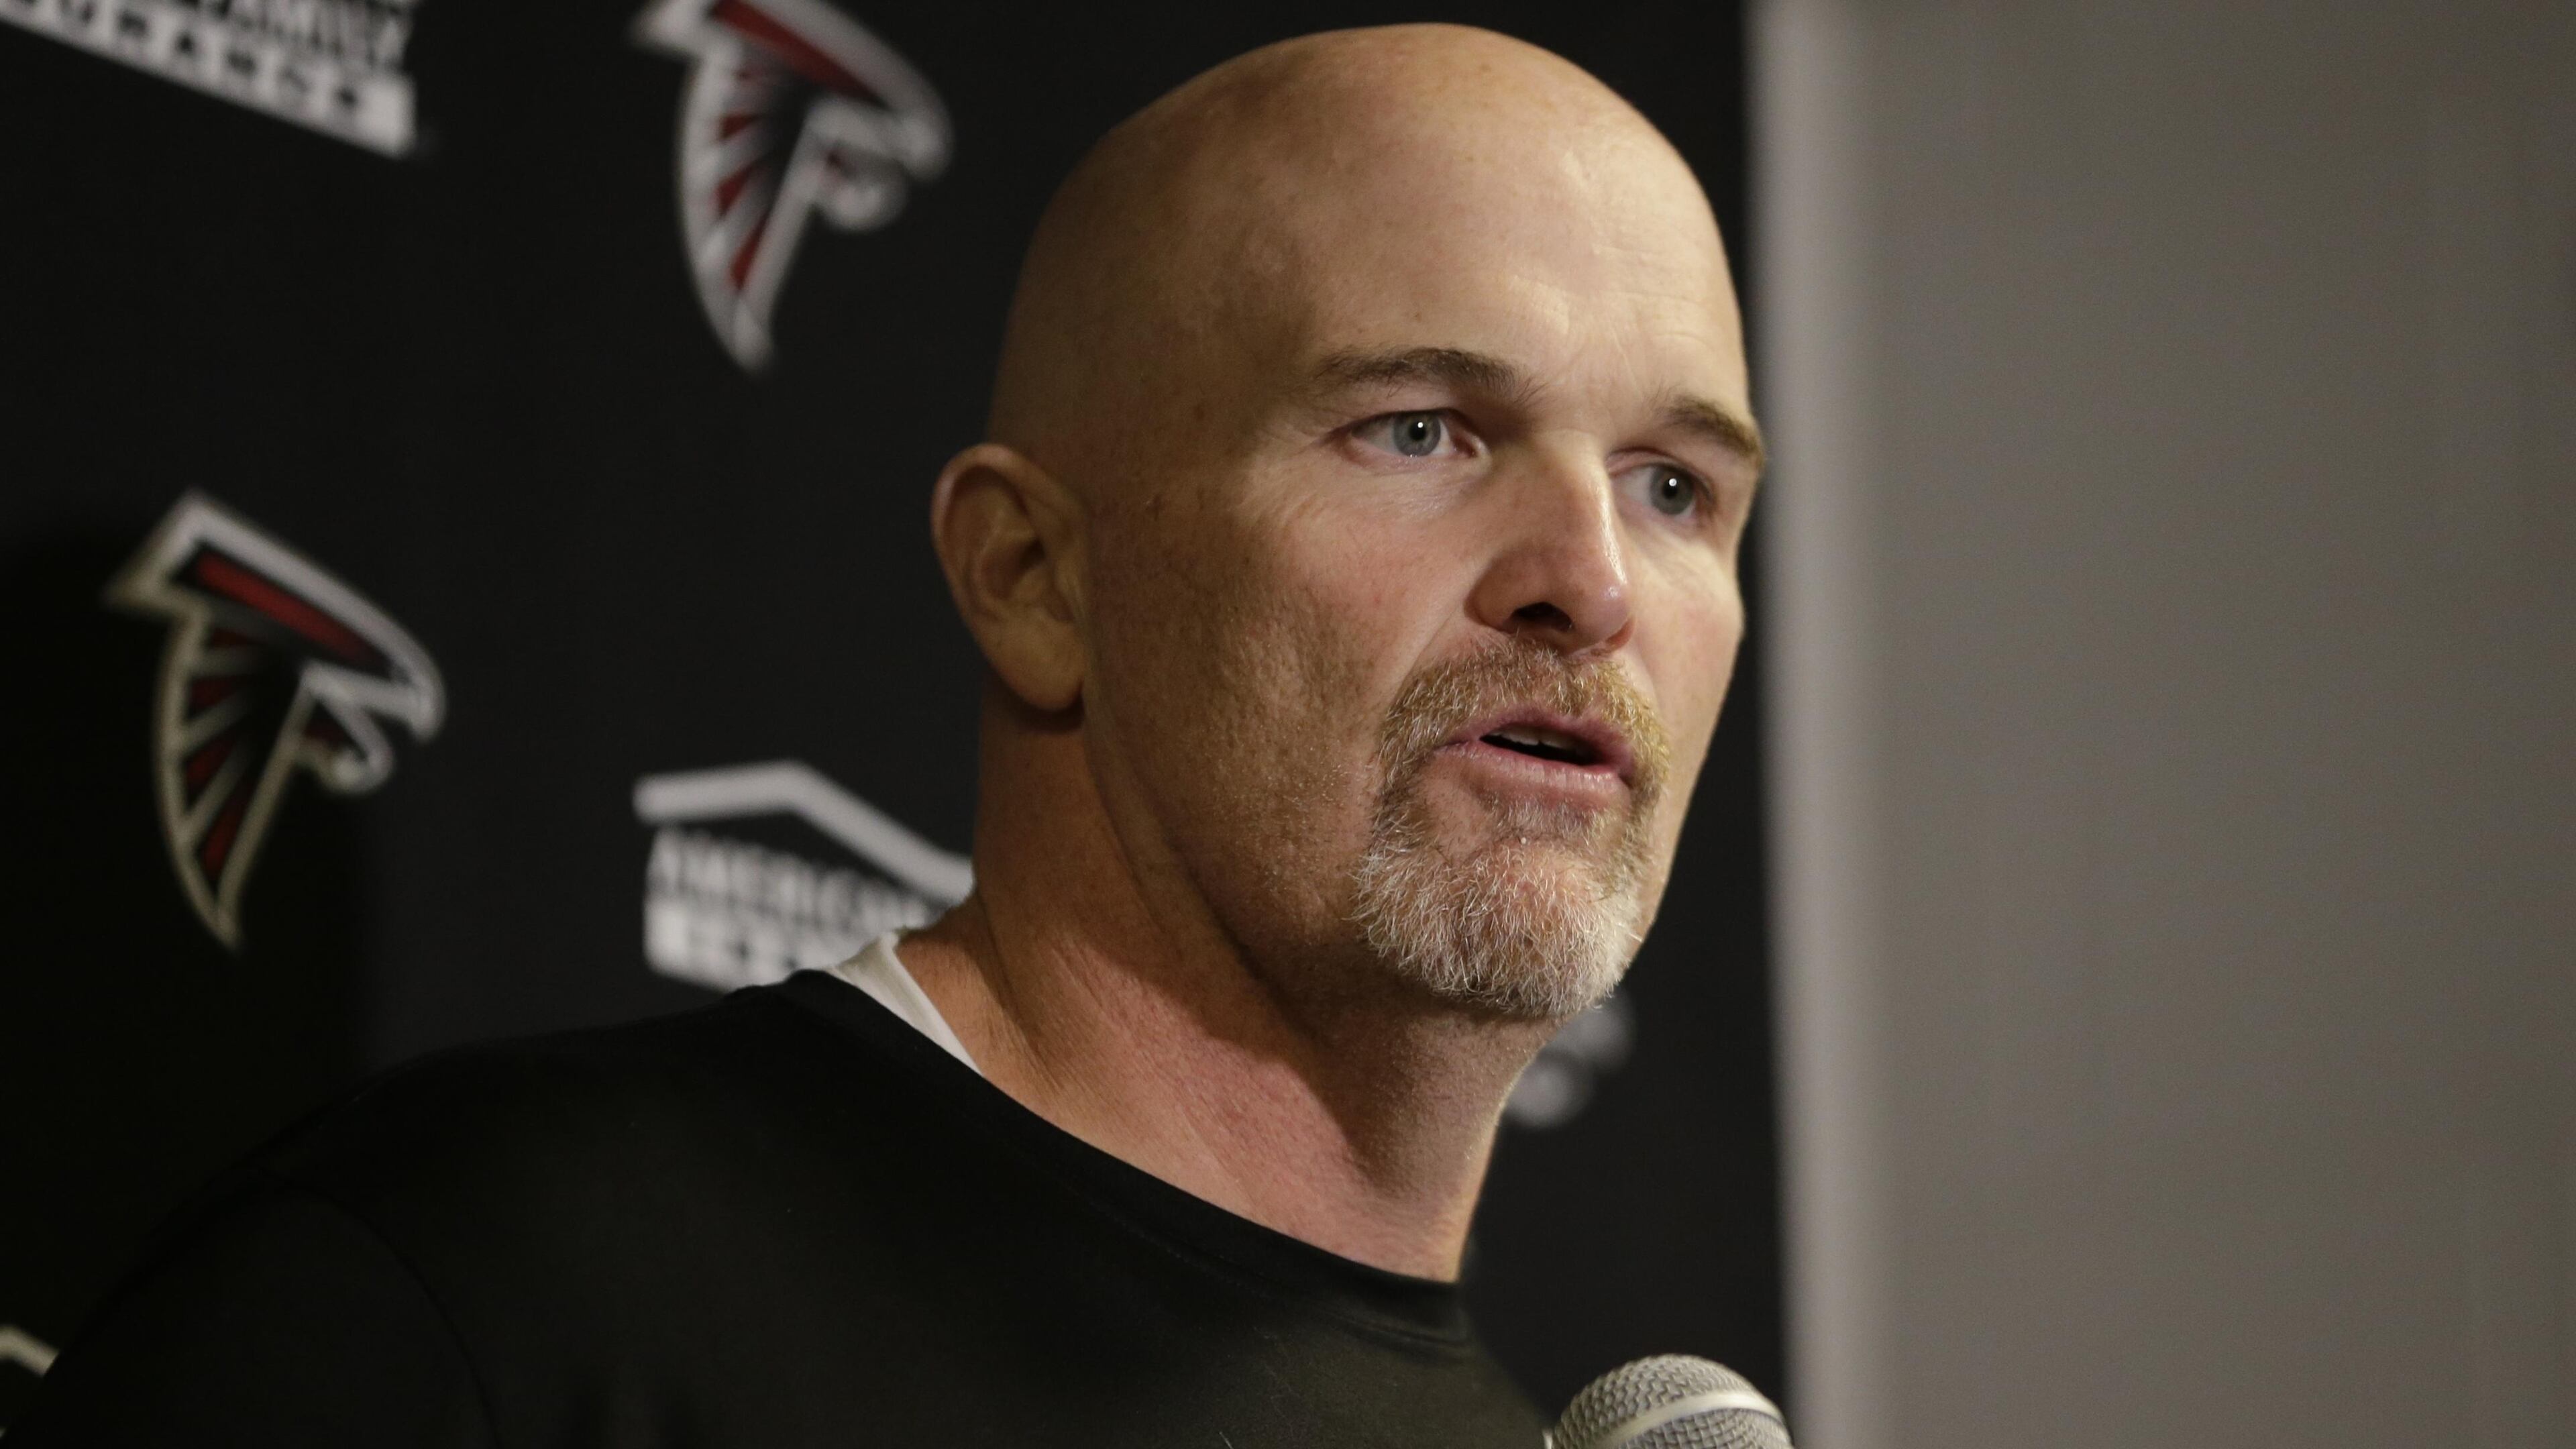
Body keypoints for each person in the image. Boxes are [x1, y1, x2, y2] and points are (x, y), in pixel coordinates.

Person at [15, 22, 1760, 1446]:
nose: (1589, 582)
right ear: (1032, 579)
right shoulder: (497, 1299)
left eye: (1674, 484)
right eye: (1421, 431)